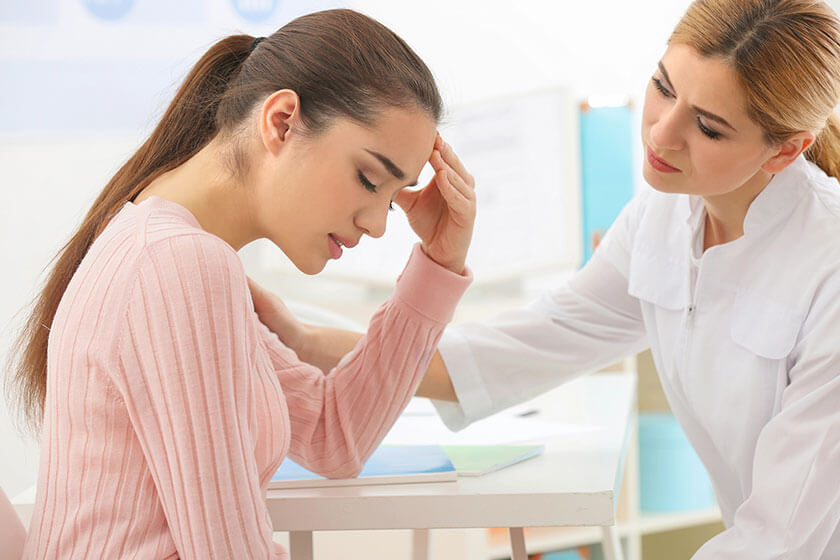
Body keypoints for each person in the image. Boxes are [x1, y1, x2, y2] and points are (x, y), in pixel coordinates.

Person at [254, 1, 840, 557]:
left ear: (786, 151)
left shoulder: (827, 268)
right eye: (663, 87)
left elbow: (783, 538)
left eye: (708, 128)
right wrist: (305, 343)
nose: (661, 133)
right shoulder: (663, 220)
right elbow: (518, 349)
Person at [6, 9, 476, 559]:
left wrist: (438, 263)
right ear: (281, 121)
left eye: (393, 197)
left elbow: (335, 434)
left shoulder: (170, 248)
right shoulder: (179, 265)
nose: (375, 223)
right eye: (369, 179)